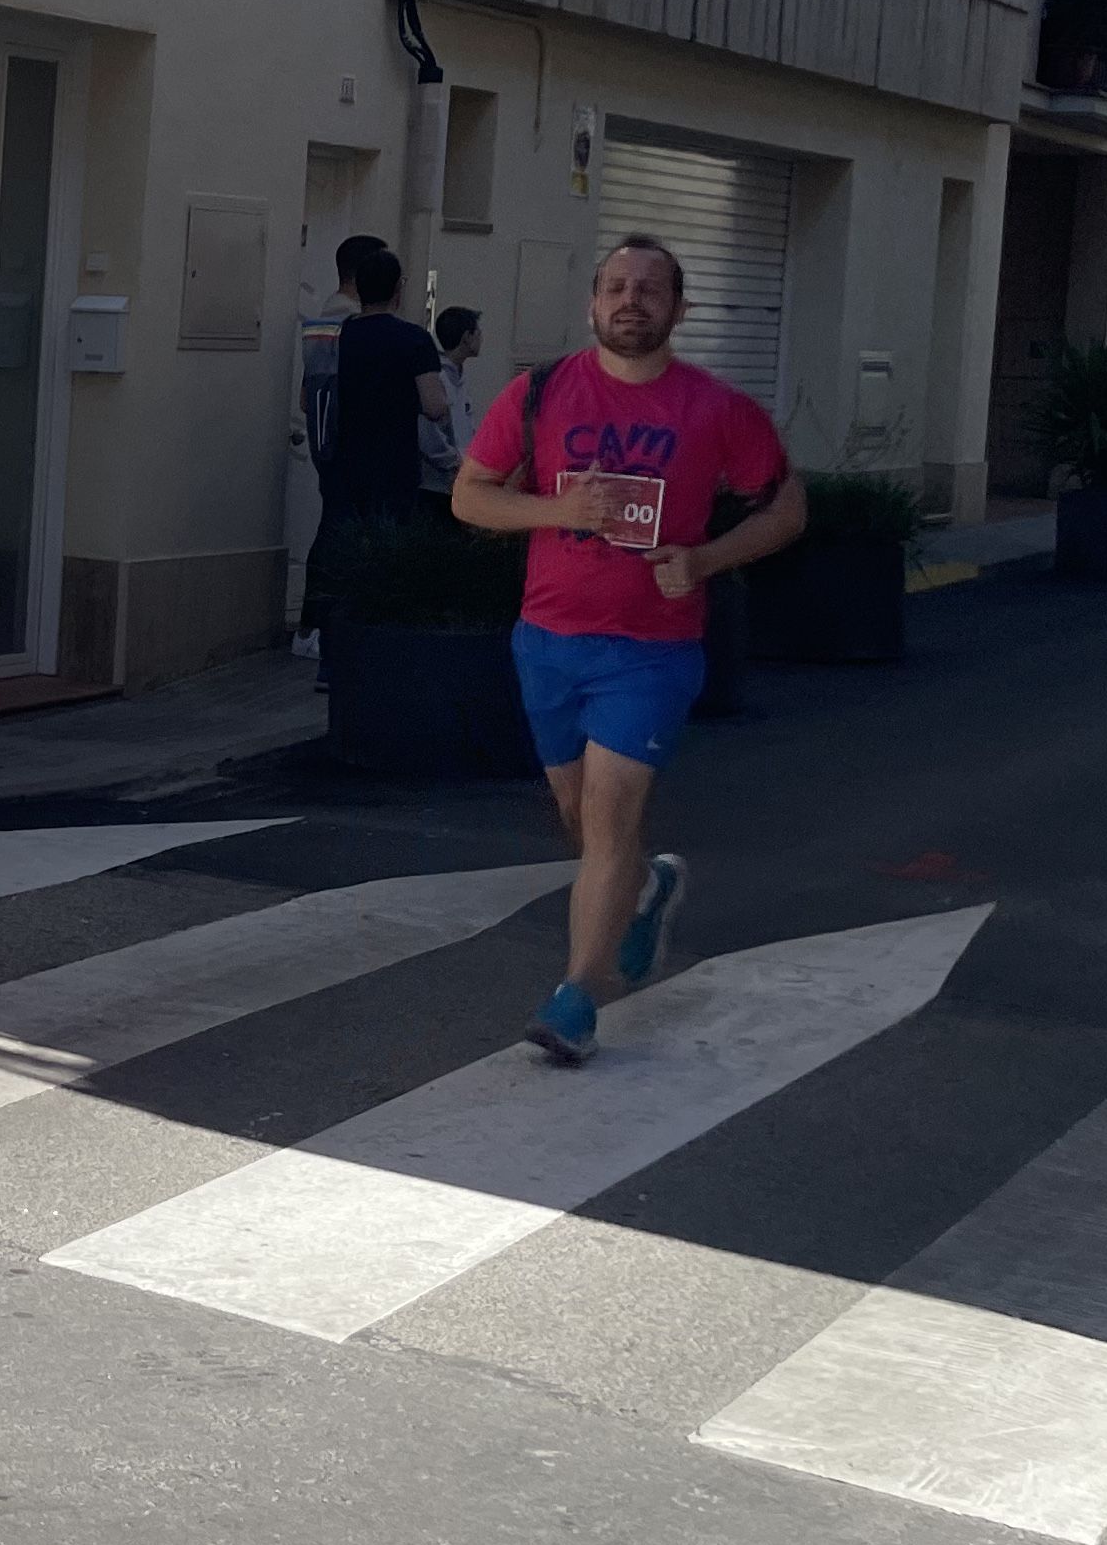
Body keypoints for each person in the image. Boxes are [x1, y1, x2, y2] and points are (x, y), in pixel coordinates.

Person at [449, 235, 804, 1064]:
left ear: (679, 310)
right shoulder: (538, 393)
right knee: (579, 819)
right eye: (615, 286)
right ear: (592, 304)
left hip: (650, 649)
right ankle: (649, 890)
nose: (630, 301)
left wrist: (707, 560)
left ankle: (577, 996)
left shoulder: (717, 410)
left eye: (649, 289)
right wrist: (556, 513)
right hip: (545, 642)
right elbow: (470, 497)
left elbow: (787, 510)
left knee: (610, 818)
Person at [294, 234, 392, 656]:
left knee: (334, 528)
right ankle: (315, 626)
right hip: (348, 445)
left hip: (327, 444)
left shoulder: (321, 320)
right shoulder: (349, 322)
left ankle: (318, 625)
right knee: (338, 533)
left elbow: (308, 392)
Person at [320, 248, 450, 527]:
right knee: (387, 549)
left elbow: (310, 401)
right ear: (397, 290)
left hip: (343, 463)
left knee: (342, 544)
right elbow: (435, 406)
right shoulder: (415, 340)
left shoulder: (333, 338)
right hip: (395, 466)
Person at [416, 305, 481, 482]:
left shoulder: (459, 376)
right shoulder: (438, 378)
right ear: (467, 337)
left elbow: (467, 424)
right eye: (477, 333)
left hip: (459, 475)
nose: (481, 338)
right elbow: (429, 436)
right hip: (435, 482)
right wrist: (455, 462)